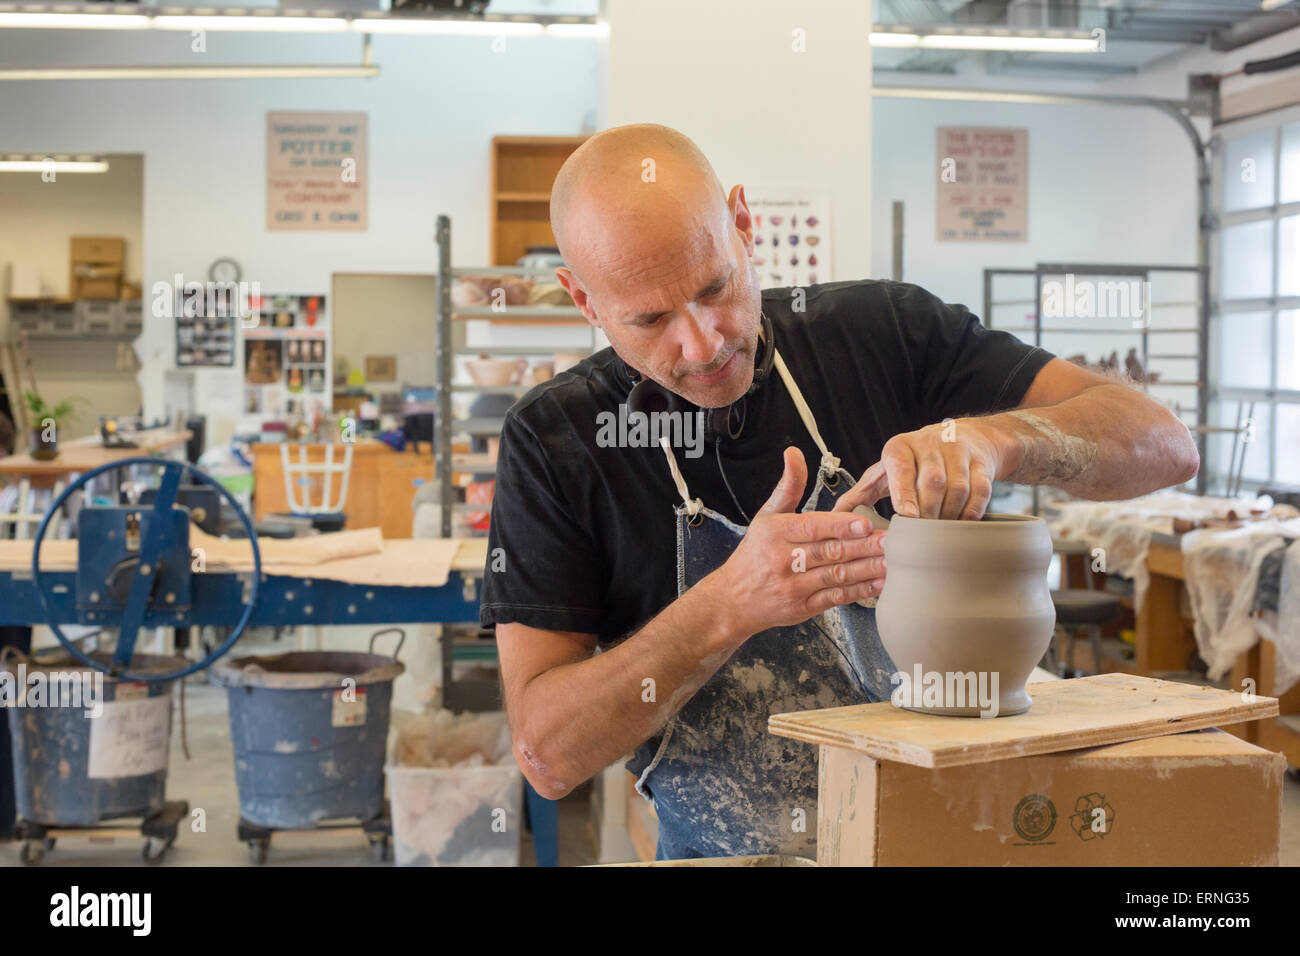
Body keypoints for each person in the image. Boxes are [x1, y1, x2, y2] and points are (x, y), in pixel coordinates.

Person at [480, 123, 1199, 859]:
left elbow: (1166, 446)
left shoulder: (885, 334)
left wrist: (998, 438)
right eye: (651, 320)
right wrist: (731, 605)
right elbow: (547, 758)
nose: (703, 344)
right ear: (584, 301)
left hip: (958, 834)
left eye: (715, 287)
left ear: (742, 223)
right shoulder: (557, 441)